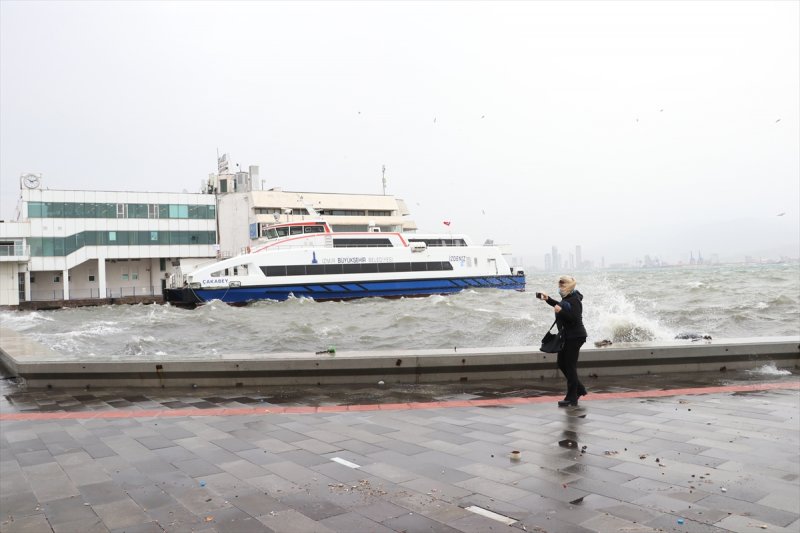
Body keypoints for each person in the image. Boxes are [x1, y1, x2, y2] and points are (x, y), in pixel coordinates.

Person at [538, 275, 588, 407]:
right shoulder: (566, 298)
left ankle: (572, 397)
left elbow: (574, 318)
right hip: (567, 336)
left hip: (576, 336)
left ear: (568, 286)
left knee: (570, 366)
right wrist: (548, 299)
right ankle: (580, 389)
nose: (560, 288)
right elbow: (560, 305)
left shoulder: (575, 300)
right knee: (562, 363)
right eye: (559, 285)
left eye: (562, 286)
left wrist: (561, 312)